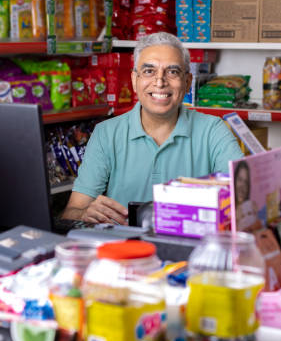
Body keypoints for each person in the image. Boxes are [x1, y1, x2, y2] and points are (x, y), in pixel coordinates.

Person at [62, 32, 244, 225]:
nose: (159, 82)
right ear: (134, 80)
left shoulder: (213, 131)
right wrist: (84, 214)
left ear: (188, 82)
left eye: (172, 72)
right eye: (149, 71)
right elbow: (71, 212)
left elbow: (243, 203)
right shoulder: (106, 133)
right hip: (125, 250)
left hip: (190, 248)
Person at [233, 160, 263, 232]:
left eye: (246, 182)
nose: (242, 186)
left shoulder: (252, 207)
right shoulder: (227, 208)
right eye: (240, 180)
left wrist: (256, 218)